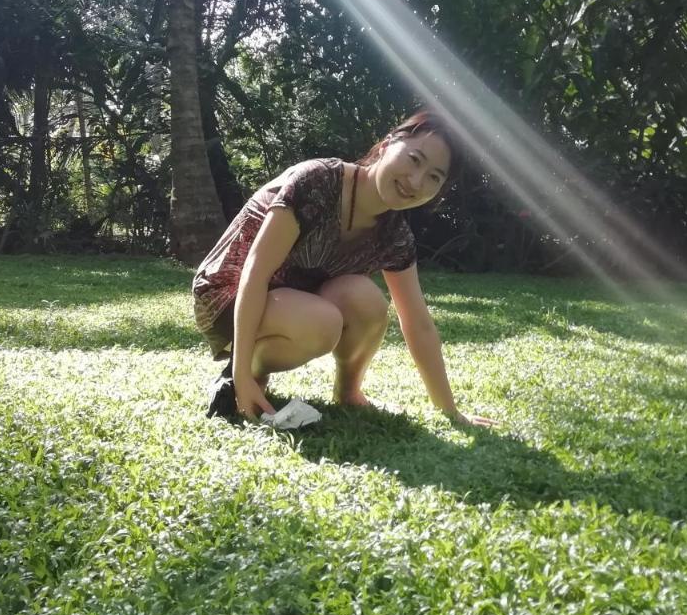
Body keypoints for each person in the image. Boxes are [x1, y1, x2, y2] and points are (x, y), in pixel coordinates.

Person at [192, 110, 496, 426]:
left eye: (434, 177)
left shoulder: (394, 235)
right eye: (414, 159)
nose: (416, 181)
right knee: (323, 323)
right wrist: (242, 375)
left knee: (367, 301)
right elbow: (255, 272)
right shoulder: (318, 182)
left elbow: (418, 324)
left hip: (291, 298)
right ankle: (246, 372)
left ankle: (349, 392)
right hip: (228, 290)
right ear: (387, 144)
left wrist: (451, 412)